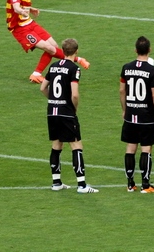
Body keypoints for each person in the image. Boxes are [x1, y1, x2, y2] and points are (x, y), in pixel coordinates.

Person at [6, 0, 90, 83]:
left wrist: (30, 9)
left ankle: (36, 74)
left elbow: (21, 5)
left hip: (29, 23)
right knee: (49, 48)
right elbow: (16, 7)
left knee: (53, 46)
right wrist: (21, 11)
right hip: (20, 29)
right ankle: (78, 59)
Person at [40, 38, 98, 193]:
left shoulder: (53, 66)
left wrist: (53, 100)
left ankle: (56, 182)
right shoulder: (74, 69)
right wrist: (73, 108)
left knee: (56, 145)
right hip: (66, 112)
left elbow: (43, 88)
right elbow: (75, 94)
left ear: (63, 51)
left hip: (52, 111)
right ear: (76, 51)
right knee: (76, 145)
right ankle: (82, 185)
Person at [120, 36, 154, 193]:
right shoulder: (153, 71)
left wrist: (125, 109)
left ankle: (130, 184)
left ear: (135, 50)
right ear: (149, 50)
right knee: (146, 148)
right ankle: (146, 185)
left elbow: (122, 91)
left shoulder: (126, 68)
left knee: (130, 147)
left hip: (130, 114)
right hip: (146, 116)